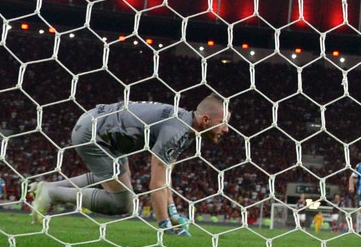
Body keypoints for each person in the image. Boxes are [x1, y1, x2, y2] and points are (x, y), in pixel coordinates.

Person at [29, 95, 230, 235]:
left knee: (113, 178)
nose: (226, 129)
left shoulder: (185, 127)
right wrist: (165, 226)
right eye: (223, 122)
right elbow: (157, 184)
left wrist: (174, 215)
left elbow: (166, 179)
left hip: (105, 132)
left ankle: (48, 188)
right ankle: (52, 195)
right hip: (94, 134)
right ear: (205, 119)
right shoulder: (175, 131)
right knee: (123, 203)